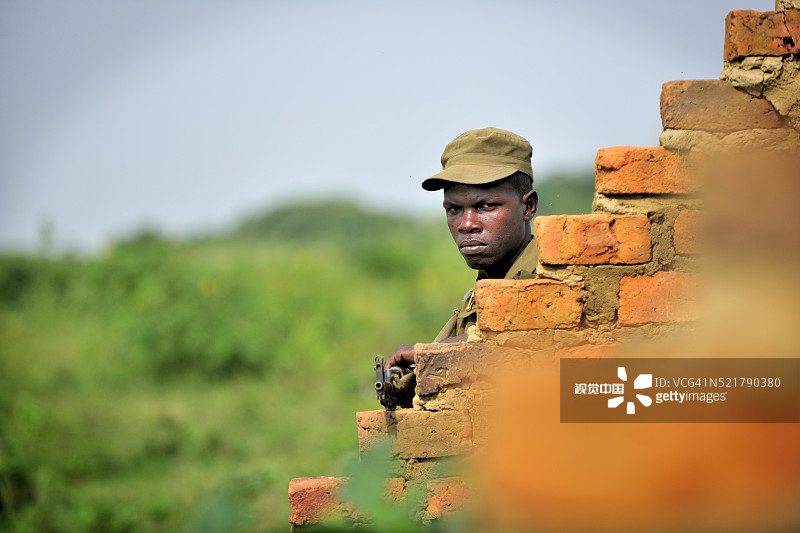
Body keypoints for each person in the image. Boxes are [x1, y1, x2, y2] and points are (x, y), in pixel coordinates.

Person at [386, 127, 538, 369]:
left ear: (528, 207)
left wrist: (433, 354)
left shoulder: (558, 284)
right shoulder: (482, 292)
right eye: (454, 209)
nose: (466, 224)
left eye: (486, 206)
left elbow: (543, 345)